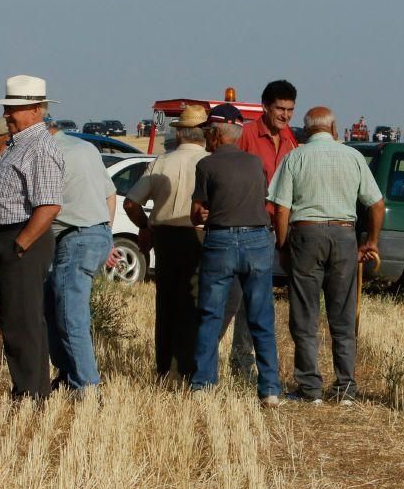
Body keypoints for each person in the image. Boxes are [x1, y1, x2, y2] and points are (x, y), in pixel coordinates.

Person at [269, 106, 384, 405]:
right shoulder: (354, 157)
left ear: (307, 131)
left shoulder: (295, 157)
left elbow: (281, 208)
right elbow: (377, 204)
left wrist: (282, 245)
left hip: (306, 234)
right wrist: (371, 241)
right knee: (343, 314)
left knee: (305, 314)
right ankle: (345, 387)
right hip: (345, 234)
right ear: (334, 130)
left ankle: (310, 388)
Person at [189, 104, 281, 407]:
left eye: (206, 132)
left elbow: (197, 214)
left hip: (221, 240)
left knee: (211, 315)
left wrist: (204, 211)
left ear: (215, 134)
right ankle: (269, 388)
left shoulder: (206, 165)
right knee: (261, 317)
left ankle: (203, 383)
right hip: (257, 240)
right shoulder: (256, 163)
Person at [0, 75, 64, 400]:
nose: (8, 114)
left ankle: (30, 393)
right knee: (20, 319)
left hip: (20, 239)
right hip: (11, 238)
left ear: (36, 110)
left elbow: (49, 204)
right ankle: (30, 389)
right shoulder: (23, 144)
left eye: (14, 108)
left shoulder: (39, 147)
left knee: (22, 322)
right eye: (9, 107)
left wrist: (21, 243)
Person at [123, 104, 208, 381]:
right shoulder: (209, 163)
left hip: (165, 238)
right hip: (198, 236)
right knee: (193, 303)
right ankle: (186, 366)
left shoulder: (161, 162)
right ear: (204, 133)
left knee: (167, 302)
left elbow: (131, 203)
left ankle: (164, 367)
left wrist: (145, 226)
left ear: (180, 133)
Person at [223, 80, 298, 381]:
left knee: (256, 302)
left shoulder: (291, 139)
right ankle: (199, 366)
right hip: (244, 227)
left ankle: (241, 367)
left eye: (290, 110)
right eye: (280, 108)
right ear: (265, 107)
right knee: (229, 299)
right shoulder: (247, 137)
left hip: (271, 230)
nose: (285, 115)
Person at [44, 119, 117, 392]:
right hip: (96, 233)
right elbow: (111, 195)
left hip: (73, 237)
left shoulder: (49, 152)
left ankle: (86, 386)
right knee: (57, 309)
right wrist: (106, 235)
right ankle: (67, 374)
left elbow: (46, 206)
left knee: (70, 315)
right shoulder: (86, 148)